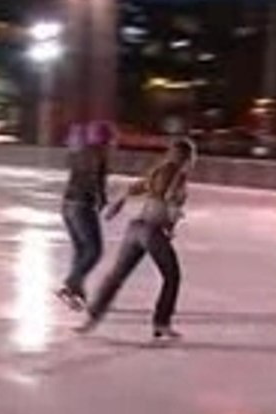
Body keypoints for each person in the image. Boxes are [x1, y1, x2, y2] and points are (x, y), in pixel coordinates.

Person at [76, 138, 197, 339]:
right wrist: (172, 211)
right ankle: (161, 322)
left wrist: (118, 203)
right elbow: (168, 198)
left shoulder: (159, 170)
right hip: (151, 231)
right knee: (172, 276)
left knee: (116, 275)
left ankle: (92, 318)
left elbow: (136, 189)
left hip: (136, 230)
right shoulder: (176, 173)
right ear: (186, 156)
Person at [55, 121, 114, 311]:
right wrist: (101, 198)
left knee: (81, 250)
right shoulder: (97, 156)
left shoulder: (78, 153)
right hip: (81, 206)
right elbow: (95, 180)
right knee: (94, 251)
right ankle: (71, 285)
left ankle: (77, 291)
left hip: (67, 205)